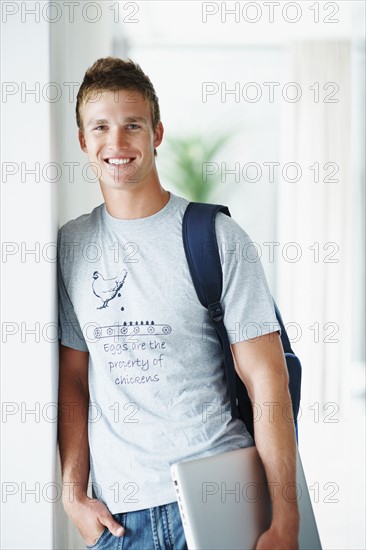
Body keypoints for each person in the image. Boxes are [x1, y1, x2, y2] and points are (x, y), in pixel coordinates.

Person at [58, 57, 300, 550]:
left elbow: (267, 378)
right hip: (121, 520)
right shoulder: (71, 247)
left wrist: (286, 519)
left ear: (157, 133)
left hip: (224, 500)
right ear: (83, 140)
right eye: (100, 127)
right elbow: (73, 380)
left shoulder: (217, 236)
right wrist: (72, 495)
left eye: (133, 126)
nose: (118, 143)